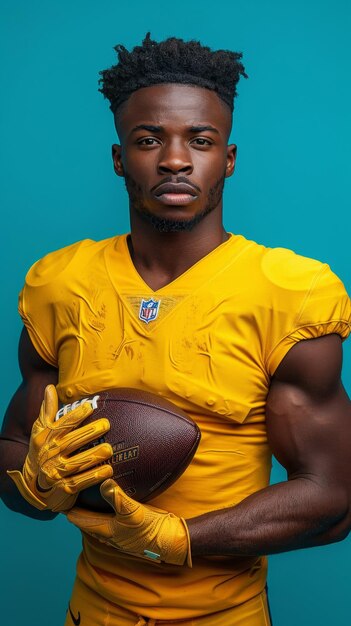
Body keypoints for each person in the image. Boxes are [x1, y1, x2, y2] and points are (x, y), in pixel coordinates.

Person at [1, 33, 351, 626]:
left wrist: (179, 537)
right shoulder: (61, 284)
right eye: (148, 140)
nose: (175, 160)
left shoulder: (290, 294)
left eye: (201, 140)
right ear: (119, 159)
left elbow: (333, 497)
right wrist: (35, 483)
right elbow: (10, 446)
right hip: (91, 611)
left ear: (229, 158)